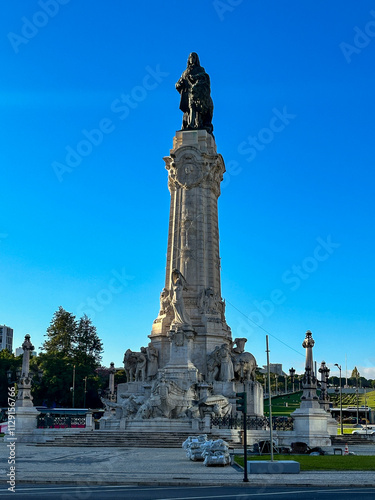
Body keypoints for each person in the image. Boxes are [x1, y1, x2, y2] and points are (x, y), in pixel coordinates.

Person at [176, 52, 214, 134]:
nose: (192, 59)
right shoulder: (185, 72)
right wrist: (178, 84)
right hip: (188, 94)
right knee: (189, 109)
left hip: (197, 94)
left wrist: (195, 78)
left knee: (196, 109)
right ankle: (190, 125)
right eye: (190, 58)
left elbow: (204, 78)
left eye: (193, 58)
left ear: (196, 60)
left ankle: (194, 124)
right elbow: (180, 82)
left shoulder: (200, 70)